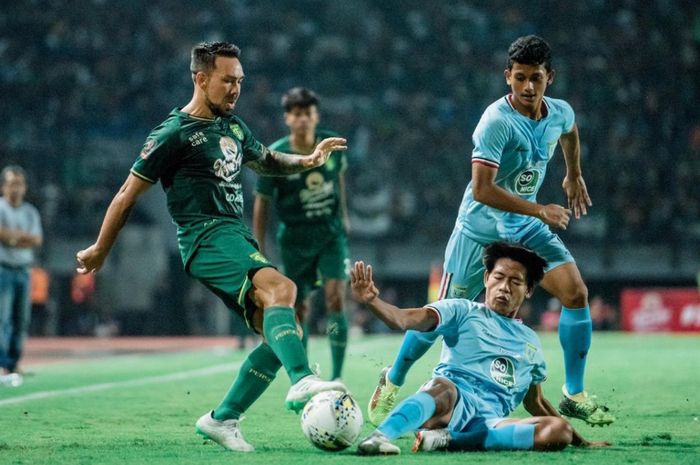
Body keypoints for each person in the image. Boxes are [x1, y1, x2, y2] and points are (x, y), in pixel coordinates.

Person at [75, 41, 348, 452]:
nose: (236, 89)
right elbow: (126, 194)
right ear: (201, 79)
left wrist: (307, 161)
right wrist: (100, 248)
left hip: (233, 234)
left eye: (240, 81)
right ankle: (303, 380)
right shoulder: (173, 133)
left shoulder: (234, 127)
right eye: (227, 81)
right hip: (204, 236)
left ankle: (223, 419)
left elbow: (268, 161)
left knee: (282, 332)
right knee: (284, 291)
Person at [368, 35, 614, 427]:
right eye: (520, 78)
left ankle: (574, 393)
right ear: (507, 77)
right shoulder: (496, 122)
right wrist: (540, 209)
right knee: (441, 315)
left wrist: (573, 174)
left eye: (536, 78)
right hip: (478, 229)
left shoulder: (559, 112)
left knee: (576, 292)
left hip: (524, 226)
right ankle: (394, 378)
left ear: (550, 77)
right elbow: (483, 189)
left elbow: (570, 132)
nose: (528, 87)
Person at [352, 242, 610, 455]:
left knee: (557, 431)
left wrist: (579, 440)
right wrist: (373, 302)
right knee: (440, 386)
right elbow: (405, 319)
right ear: (486, 278)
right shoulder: (460, 311)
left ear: (529, 289)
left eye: (515, 282)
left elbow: (536, 402)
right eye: (498, 277)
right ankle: (379, 436)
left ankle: (448, 441)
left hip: (491, 421)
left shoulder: (530, 341)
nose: (504, 288)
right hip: (450, 405)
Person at [253, 87, 350, 380]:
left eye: (308, 113)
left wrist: (344, 215)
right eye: (297, 114)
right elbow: (262, 204)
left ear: (316, 116)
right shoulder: (276, 155)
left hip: (330, 235)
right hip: (295, 240)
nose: (303, 119)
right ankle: (306, 377)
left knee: (335, 298)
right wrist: (259, 246)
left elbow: (339, 181)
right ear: (287, 118)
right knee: (301, 308)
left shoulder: (330, 144)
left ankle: (337, 377)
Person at [0, 165, 43, 387]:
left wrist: (12, 238)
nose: (15, 188)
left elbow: (36, 241)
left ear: (24, 187)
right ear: (3, 187)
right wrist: (20, 239)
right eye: (11, 184)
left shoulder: (30, 212)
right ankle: (2, 364)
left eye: (19, 184)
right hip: (3, 269)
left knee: (21, 320)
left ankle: (13, 364)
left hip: (24, 271)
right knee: (2, 319)